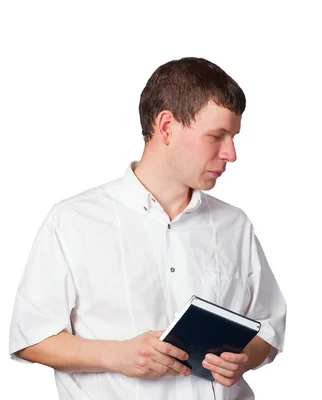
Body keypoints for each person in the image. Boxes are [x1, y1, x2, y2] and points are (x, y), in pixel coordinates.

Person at [9, 57, 286, 400]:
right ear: (166, 126)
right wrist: (116, 356)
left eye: (233, 136)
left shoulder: (235, 225)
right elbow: (31, 338)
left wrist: (245, 359)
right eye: (216, 136)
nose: (231, 153)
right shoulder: (73, 220)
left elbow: (268, 327)